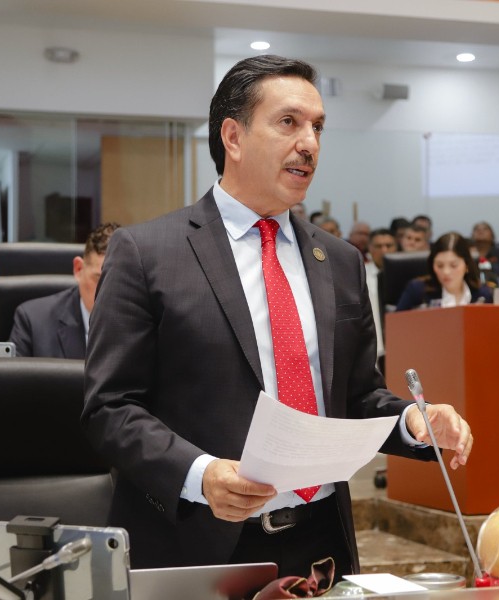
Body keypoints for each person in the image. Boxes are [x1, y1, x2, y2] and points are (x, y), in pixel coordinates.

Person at [82, 55, 472, 581]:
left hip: (320, 545)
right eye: (289, 122)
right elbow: (109, 408)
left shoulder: (340, 261)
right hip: (199, 542)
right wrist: (200, 475)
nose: (309, 143)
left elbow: (357, 397)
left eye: (318, 127)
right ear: (233, 137)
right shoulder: (147, 253)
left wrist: (412, 422)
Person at [9, 222, 119, 359]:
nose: (110, 292)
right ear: (79, 269)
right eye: (100, 279)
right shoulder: (32, 321)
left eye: (121, 282)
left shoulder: (143, 325)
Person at [396, 232, 493, 311]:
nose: (446, 272)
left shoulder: (482, 294)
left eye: (453, 265)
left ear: (466, 265)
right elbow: (395, 325)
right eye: (440, 265)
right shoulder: (418, 291)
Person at [365, 228, 397, 368]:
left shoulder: (406, 275)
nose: (384, 250)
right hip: (373, 347)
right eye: (379, 246)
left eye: (389, 245)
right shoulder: (360, 274)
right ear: (370, 248)